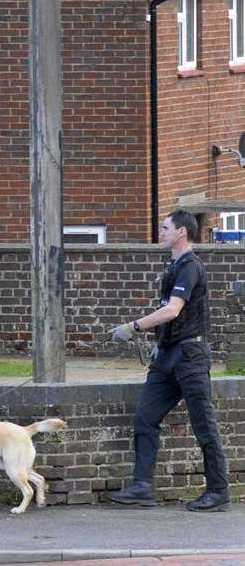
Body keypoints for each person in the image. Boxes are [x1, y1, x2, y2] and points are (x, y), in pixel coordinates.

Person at [109, 210, 229, 512]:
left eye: (165, 228)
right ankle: (142, 486)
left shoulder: (190, 267)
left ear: (182, 233)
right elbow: (169, 314)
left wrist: (133, 326)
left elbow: (173, 310)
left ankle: (218, 491)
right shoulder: (173, 265)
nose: (161, 232)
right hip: (167, 355)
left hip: (190, 356)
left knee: (203, 424)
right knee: (145, 417)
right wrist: (158, 342)